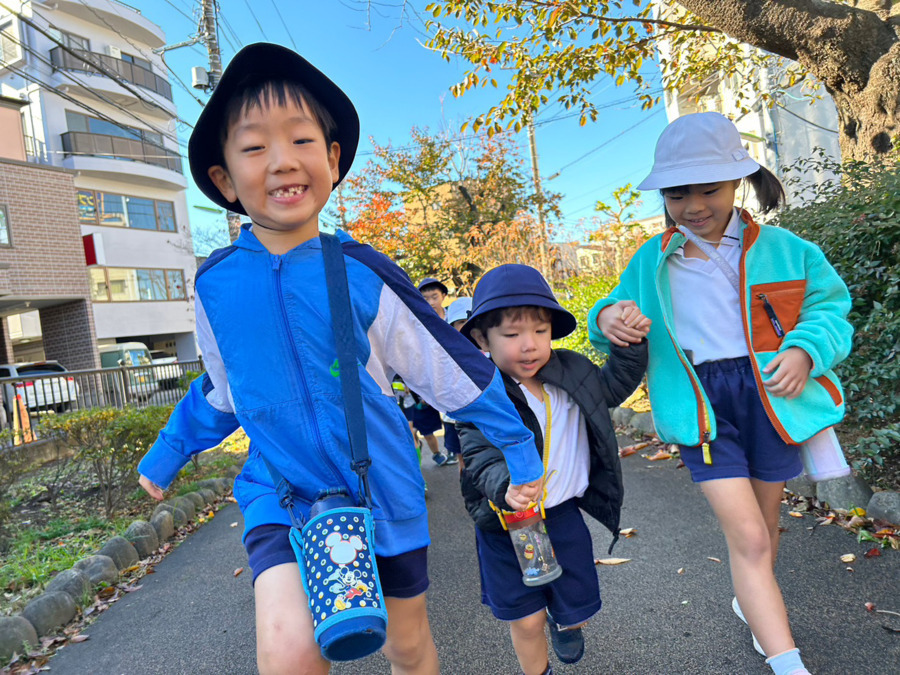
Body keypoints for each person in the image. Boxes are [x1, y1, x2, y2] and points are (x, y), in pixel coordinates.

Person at [135, 43, 546, 675]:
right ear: (223, 180)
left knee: (404, 647)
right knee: (290, 654)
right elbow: (223, 389)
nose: (281, 162)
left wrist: (516, 445)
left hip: (379, 487)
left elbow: (450, 370)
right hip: (282, 490)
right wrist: (171, 449)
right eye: (253, 148)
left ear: (331, 159)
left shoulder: (361, 272)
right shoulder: (214, 286)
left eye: (301, 140)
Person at [589, 112, 853, 675]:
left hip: (773, 397)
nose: (693, 205)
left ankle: (754, 606)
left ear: (738, 182)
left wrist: (806, 349)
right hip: (699, 405)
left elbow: (830, 308)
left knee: (764, 526)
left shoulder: (789, 249)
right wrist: (609, 315)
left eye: (708, 189)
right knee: (751, 538)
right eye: (678, 193)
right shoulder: (650, 258)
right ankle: (788, 663)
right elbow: (607, 312)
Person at [457, 265, 649, 675]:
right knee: (524, 618)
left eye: (540, 331)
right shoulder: (480, 392)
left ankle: (566, 621)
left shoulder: (572, 371)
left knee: (575, 605)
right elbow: (478, 453)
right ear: (481, 338)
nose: (529, 346)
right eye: (511, 335)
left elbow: (613, 385)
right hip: (506, 521)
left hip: (561, 515)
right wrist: (504, 486)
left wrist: (630, 344)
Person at [413, 277, 452, 466]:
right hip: (430, 375)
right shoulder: (418, 321)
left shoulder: (454, 316)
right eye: (425, 298)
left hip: (453, 374)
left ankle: (453, 449)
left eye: (434, 297)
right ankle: (438, 452)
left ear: (443, 296)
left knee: (454, 414)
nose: (430, 302)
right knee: (427, 418)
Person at [440, 297, 474, 465]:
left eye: (470, 320)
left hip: (482, 417)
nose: (466, 325)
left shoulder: (491, 349)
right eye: (461, 321)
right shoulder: (445, 353)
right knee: (463, 463)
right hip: (455, 417)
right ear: (452, 326)